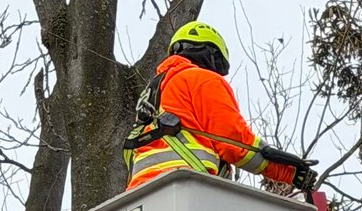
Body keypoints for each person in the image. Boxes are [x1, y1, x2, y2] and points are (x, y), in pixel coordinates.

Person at [124, 21, 314, 192]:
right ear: (212, 55)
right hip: (184, 185)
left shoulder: (156, 92)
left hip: (140, 193)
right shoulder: (201, 79)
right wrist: (290, 172)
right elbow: (235, 142)